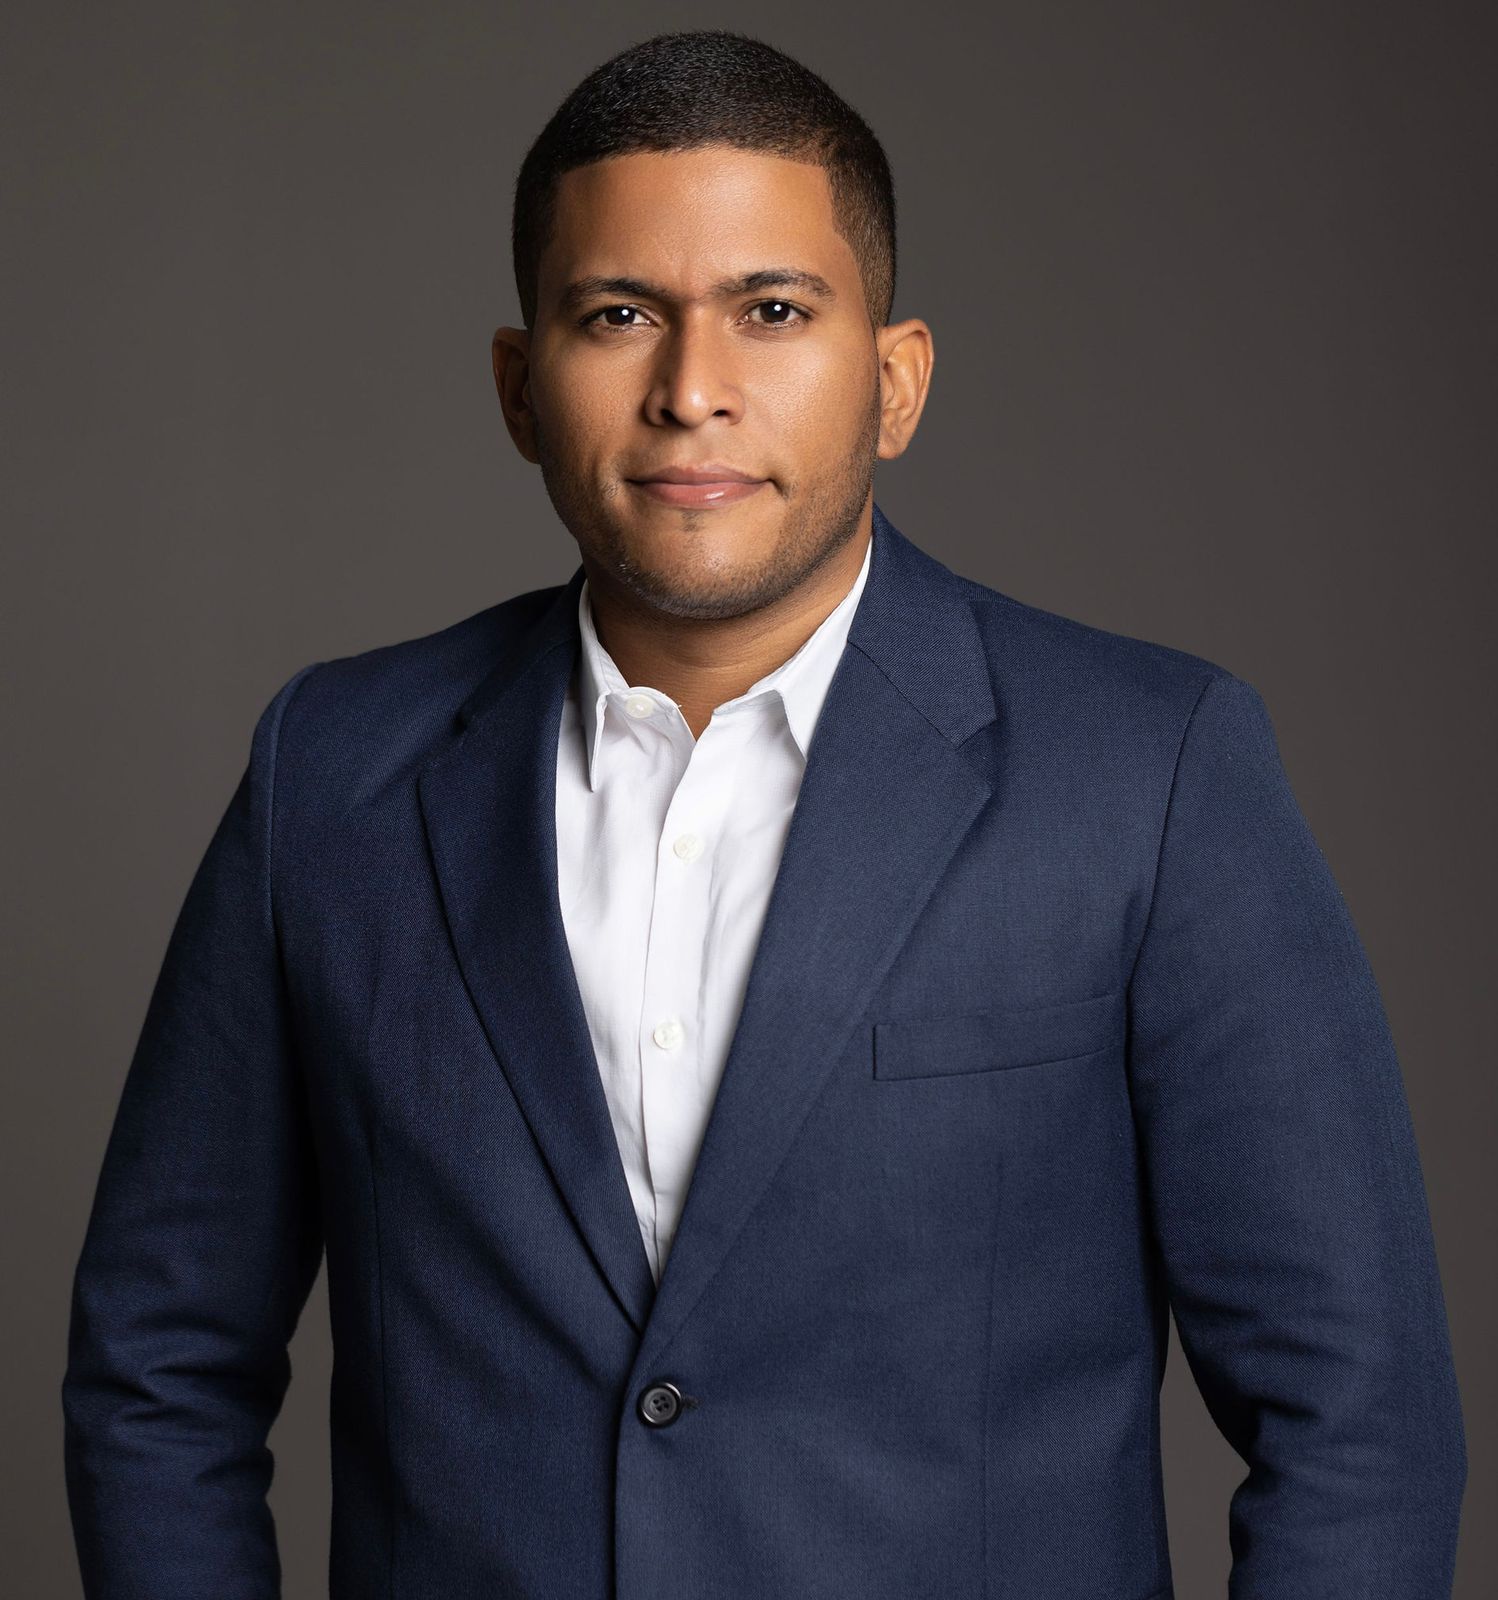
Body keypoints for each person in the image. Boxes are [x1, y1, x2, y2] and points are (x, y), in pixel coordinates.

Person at [61, 27, 1467, 1600]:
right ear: (520, 387)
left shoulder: (1148, 771)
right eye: (617, 316)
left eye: (773, 312)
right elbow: (158, 1366)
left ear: (895, 380)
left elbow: (1358, 1420)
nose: (691, 393)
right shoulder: (331, 775)